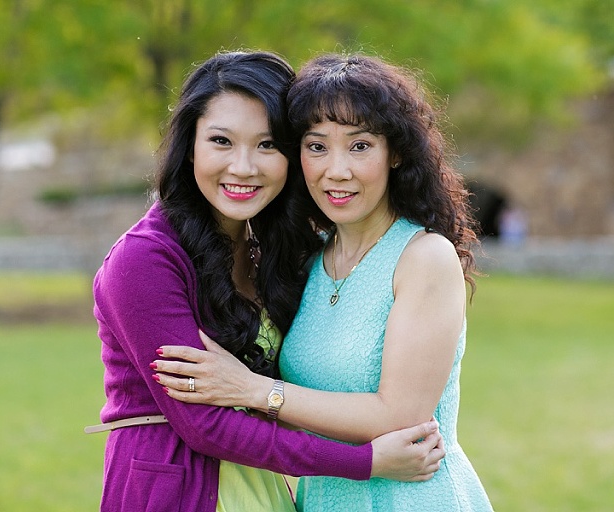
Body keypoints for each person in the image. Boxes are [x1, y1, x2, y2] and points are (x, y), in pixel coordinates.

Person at [88, 50, 446, 512]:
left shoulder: (279, 253)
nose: (243, 167)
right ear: (189, 146)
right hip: (178, 493)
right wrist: (365, 461)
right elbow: (203, 424)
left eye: (267, 144)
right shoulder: (144, 260)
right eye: (221, 141)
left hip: (266, 492)